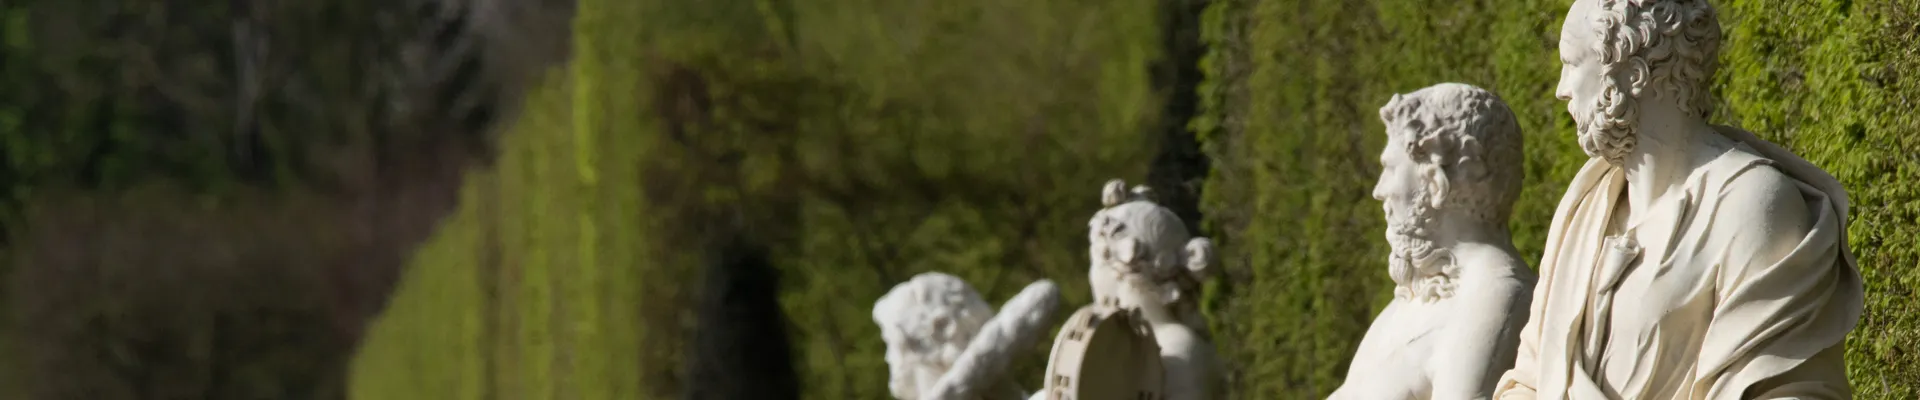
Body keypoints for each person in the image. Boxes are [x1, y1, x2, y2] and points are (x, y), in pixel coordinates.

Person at [1493, 0, 1863, 398]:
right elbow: (1530, 377)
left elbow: (1789, 390)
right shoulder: (1586, 206)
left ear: (1632, 75)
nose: (1561, 90)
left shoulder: (1751, 206)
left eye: (1572, 64)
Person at [1330, 83, 1535, 400]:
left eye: (1390, 170)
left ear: (1436, 183)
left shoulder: (1492, 297)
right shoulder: (1406, 305)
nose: (1379, 191)